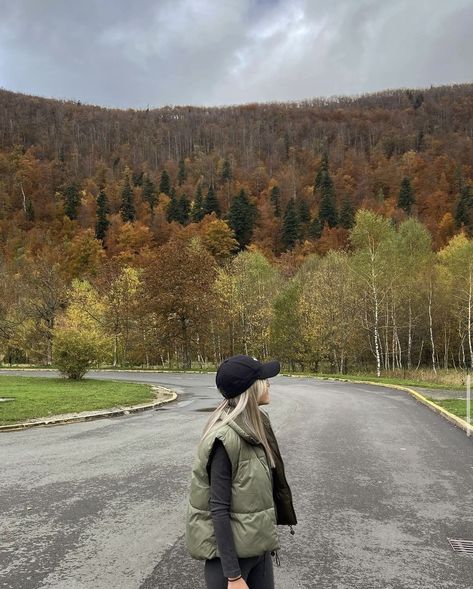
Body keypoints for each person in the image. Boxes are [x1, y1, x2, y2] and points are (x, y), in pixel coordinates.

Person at [185, 354, 297, 589]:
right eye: (264, 379)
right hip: (231, 565)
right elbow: (218, 508)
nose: (269, 384)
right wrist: (234, 576)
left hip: (259, 551)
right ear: (251, 388)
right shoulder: (225, 440)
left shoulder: (257, 426)